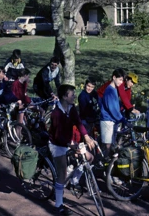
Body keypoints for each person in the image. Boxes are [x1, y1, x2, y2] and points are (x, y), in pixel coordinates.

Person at [48, 84, 96, 215]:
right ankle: (58, 205)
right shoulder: (56, 113)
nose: (74, 96)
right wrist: (71, 145)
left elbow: (79, 122)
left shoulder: (71, 108)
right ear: (64, 96)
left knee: (89, 157)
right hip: (57, 145)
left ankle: (73, 180)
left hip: (69, 142)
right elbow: (57, 136)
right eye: (71, 94)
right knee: (62, 173)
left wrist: (86, 137)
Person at [99, 68, 131, 157]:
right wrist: (123, 120)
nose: (121, 82)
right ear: (114, 77)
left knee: (111, 145)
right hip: (107, 121)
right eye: (120, 80)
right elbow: (113, 110)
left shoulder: (114, 90)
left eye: (122, 80)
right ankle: (103, 166)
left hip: (111, 121)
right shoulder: (110, 91)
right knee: (107, 147)